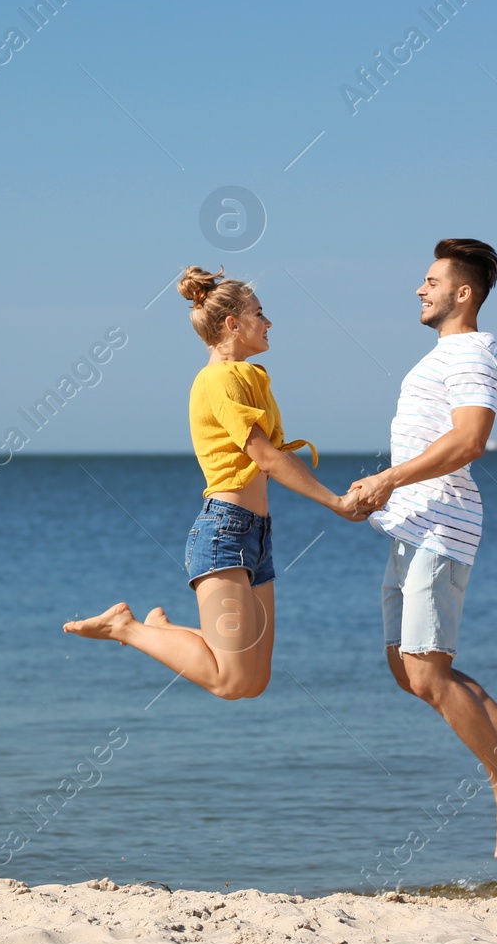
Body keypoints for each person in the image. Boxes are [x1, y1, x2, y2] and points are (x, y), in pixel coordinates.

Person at [64, 266, 366, 699]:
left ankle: (159, 630)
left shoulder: (243, 377)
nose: (269, 322)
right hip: (225, 532)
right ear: (233, 324)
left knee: (253, 681)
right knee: (228, 680)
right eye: (260, 314)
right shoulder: (219, 380)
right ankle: (125, 627)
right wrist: (335, 502)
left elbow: (271, 458)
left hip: (255, 534)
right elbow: (265, 457)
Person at [348, 238, 497, 861]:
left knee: (431, 676)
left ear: (463, 293)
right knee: (408, 672)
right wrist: (389, 496)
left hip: (441, 529)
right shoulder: (442, 355)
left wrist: (387, 478)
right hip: (411, 529)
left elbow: (469, 441)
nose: (421, 288)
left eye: (432, 280)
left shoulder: (472, 355)